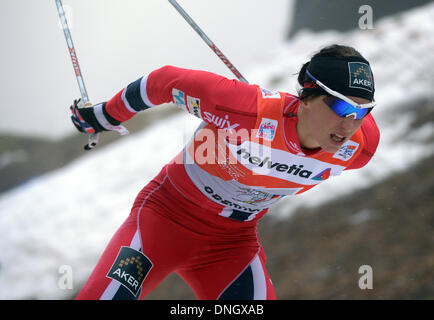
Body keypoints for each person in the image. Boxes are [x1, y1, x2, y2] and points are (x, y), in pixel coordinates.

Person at [71, 44, 380, 300]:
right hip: (162, 222)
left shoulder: (359, 149)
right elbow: (163, 81)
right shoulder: (246, 109)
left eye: (363, 111)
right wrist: (104, 116)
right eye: (341, 107)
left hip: (230, 245)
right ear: (307, 97)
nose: (349, 124)